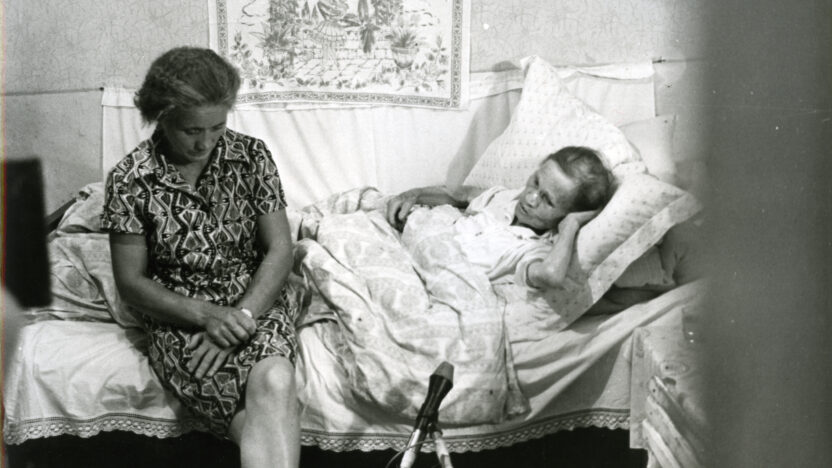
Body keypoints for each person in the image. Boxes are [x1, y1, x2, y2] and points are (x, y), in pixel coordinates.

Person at [101, 47, 299, 468]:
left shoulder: (252, 156)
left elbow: (280, 248)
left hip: (255, 298)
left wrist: (241, 317)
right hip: (181, 316)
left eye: (217, 127)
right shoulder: (130, 180)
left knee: (276, 379)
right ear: (162, 117)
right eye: (191, 130)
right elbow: (131, 283)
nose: (206, 142)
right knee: (263, 417)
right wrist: (208, 317)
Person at [385, 146, 613, 290]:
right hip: (408, 250)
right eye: (535, 182)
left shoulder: (533, 250)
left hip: (431, 277)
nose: (530, 198)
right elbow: (460, 195)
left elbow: (551, 276)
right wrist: (414, 194)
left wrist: (570, 226)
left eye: (547, 201)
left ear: (566, 214)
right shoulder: (506, 198)